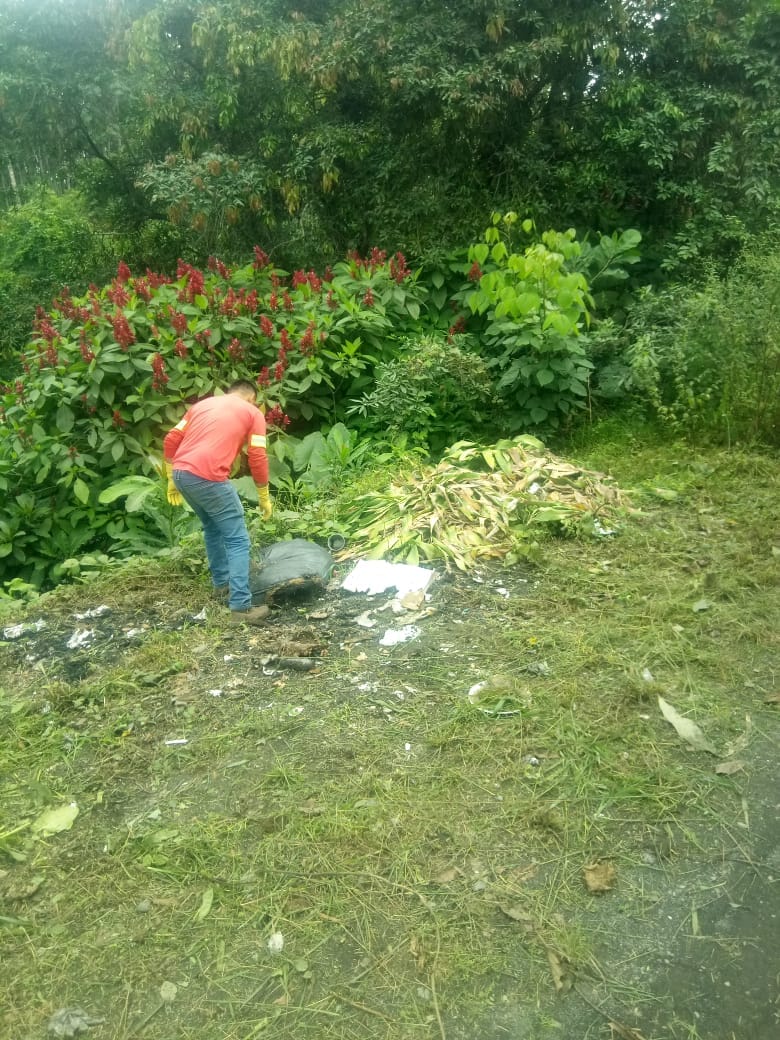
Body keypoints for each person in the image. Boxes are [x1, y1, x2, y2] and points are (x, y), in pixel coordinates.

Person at [163, 379, 273, 625]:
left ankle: (222, 585)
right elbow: (257, 456)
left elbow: (171, 439)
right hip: (208, 476)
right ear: (251, 399)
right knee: (237, 539)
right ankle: (240, 607)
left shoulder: (202, 405)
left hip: (182, 473)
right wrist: (263, 495)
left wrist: (171, 477)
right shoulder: (253, 413)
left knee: (212, 528)